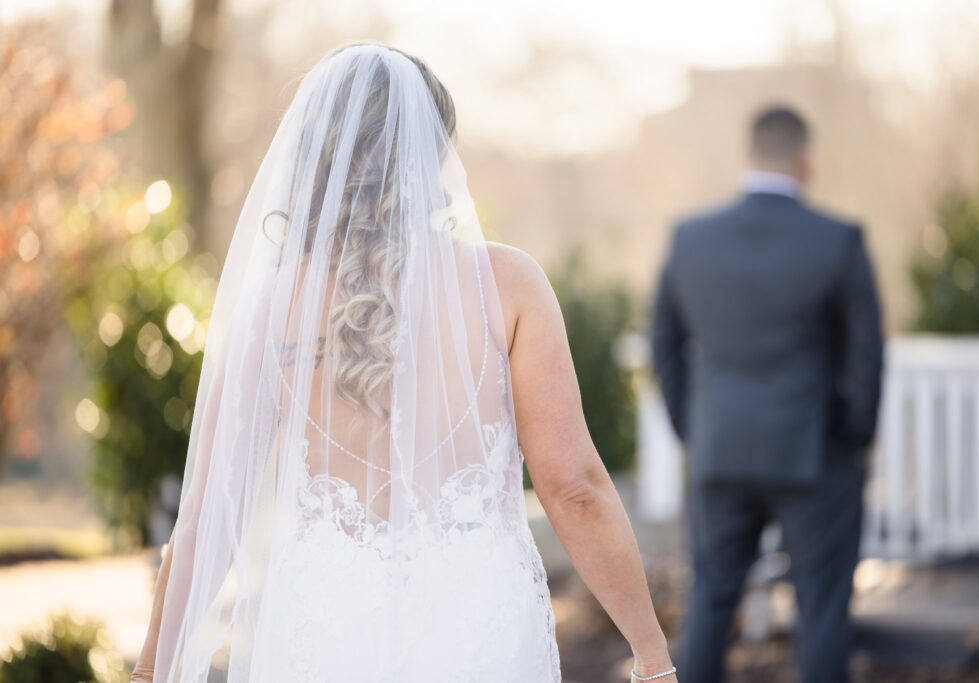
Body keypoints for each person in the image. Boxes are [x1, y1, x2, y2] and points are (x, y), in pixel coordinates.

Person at [129, 43, 676, 683]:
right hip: (475, 620)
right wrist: (654, 658)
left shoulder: (271, 310)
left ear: (313, 157)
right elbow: (574, 487)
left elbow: (207, 515)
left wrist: (148, 671)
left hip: (325, 624)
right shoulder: (506, 286)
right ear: (433, 153)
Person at [650, 104, 884, 682]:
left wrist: (693, 430)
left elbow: (663, 347)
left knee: (709, 604)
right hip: (816, 457)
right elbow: (869, 355)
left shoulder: (690, 239)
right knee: (822, 612)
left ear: (746, 155)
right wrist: (855, 436)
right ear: (806, 160)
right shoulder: (839, 240)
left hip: (720, 452)